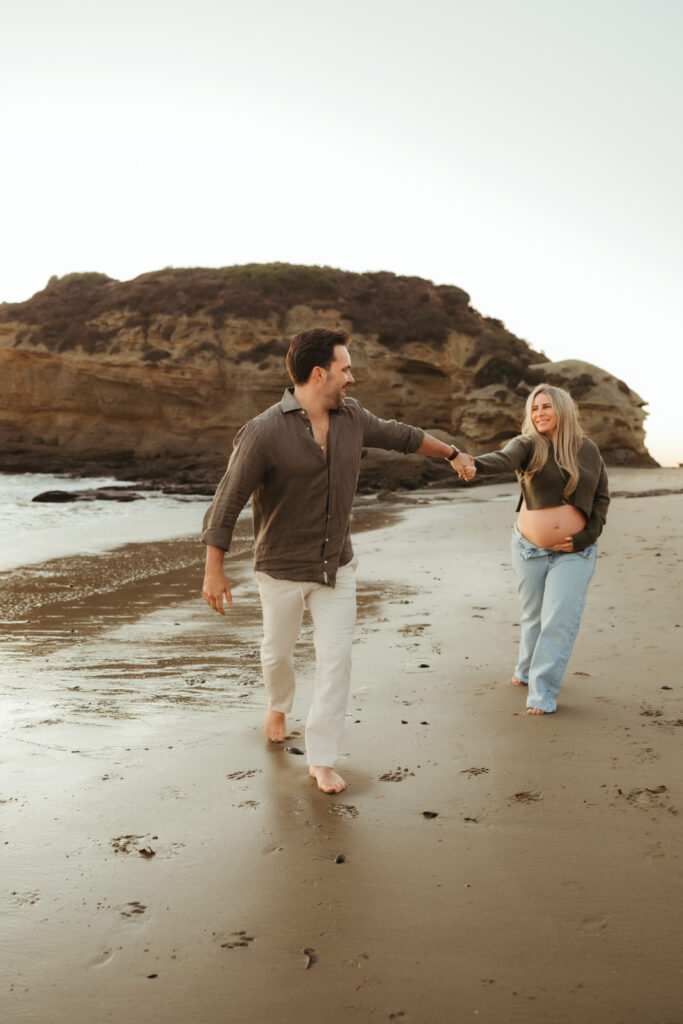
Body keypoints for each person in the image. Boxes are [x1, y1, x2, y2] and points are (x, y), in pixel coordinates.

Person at [201, 328, 474, 792]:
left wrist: (451, 453)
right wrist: (213, 568)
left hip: (336, 566)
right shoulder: (264, 430)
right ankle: (278, 703)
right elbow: (228, 499)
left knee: (336, 660)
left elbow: (403, 437)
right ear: (319, 373)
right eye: (346, 369)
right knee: (277, 652)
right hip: (281, 568)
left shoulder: (353, 418)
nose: (353, 377)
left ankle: (322, 756)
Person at [467, 383, 609, 715]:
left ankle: (542, 693)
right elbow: (503, 459)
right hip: (528, 548)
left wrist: (587, 536)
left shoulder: (587, 449)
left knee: (558, 619)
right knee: (533, 616)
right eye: (534, 408)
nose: (539, 414)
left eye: (546, 406)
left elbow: (601, 497)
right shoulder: (527, 444)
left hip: (575, 551)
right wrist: (469, 461)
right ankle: (524, 669)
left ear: (563, 410)